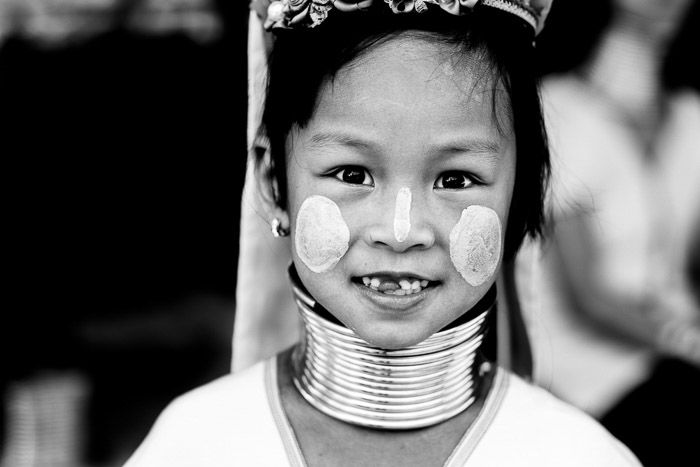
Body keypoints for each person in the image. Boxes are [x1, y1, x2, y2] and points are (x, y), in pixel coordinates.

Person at [125, 1, 640, 465]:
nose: (402, 232)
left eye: (455, 179)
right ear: (271, 182)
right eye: (352, 175)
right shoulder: (195, 444)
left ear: (520, 193)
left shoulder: (577, 455)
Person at [516, 1, 699, 464]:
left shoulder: (690, 118)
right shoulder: (561, 110)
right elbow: (591, 297)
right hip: (591, 376)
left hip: (668, 358)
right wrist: (687, 340)